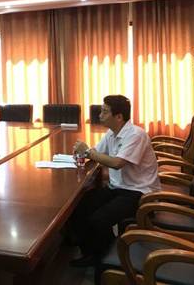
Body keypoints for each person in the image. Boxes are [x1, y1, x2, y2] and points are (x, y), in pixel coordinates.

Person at [69, 95, 161, 267]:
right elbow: (96, 153)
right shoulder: (111, 133)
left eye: (104, 112)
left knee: (98, 219)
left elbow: (117, 163)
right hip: (118, 188)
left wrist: (88, 152)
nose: (100, 115)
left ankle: (106, 258)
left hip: (140, 193)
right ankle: (90, 251)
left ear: (118, 116)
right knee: (79, 207)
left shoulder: (136, 135)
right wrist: (83, 152)